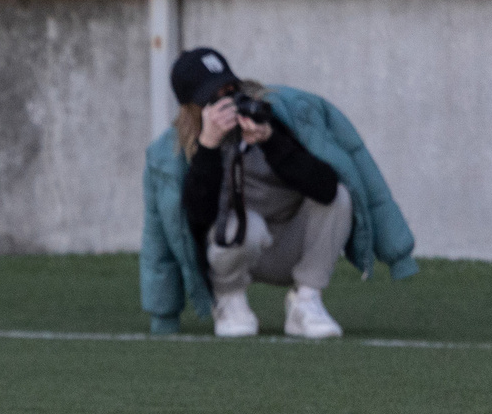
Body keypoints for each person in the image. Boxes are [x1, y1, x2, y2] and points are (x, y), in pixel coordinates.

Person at [140, 48, 417, 340]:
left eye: (230, 89)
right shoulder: (170, 153)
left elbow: (325, 188)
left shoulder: (277, 114)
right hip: (232, 249)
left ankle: (306, 302)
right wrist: (208, 147)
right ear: (193, 108)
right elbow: (194, 222)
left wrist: (271, 141)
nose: (226, 101)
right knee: (245, 225)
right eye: (213, 96)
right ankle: (229, 300)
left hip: (289, 245)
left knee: (340, 197)